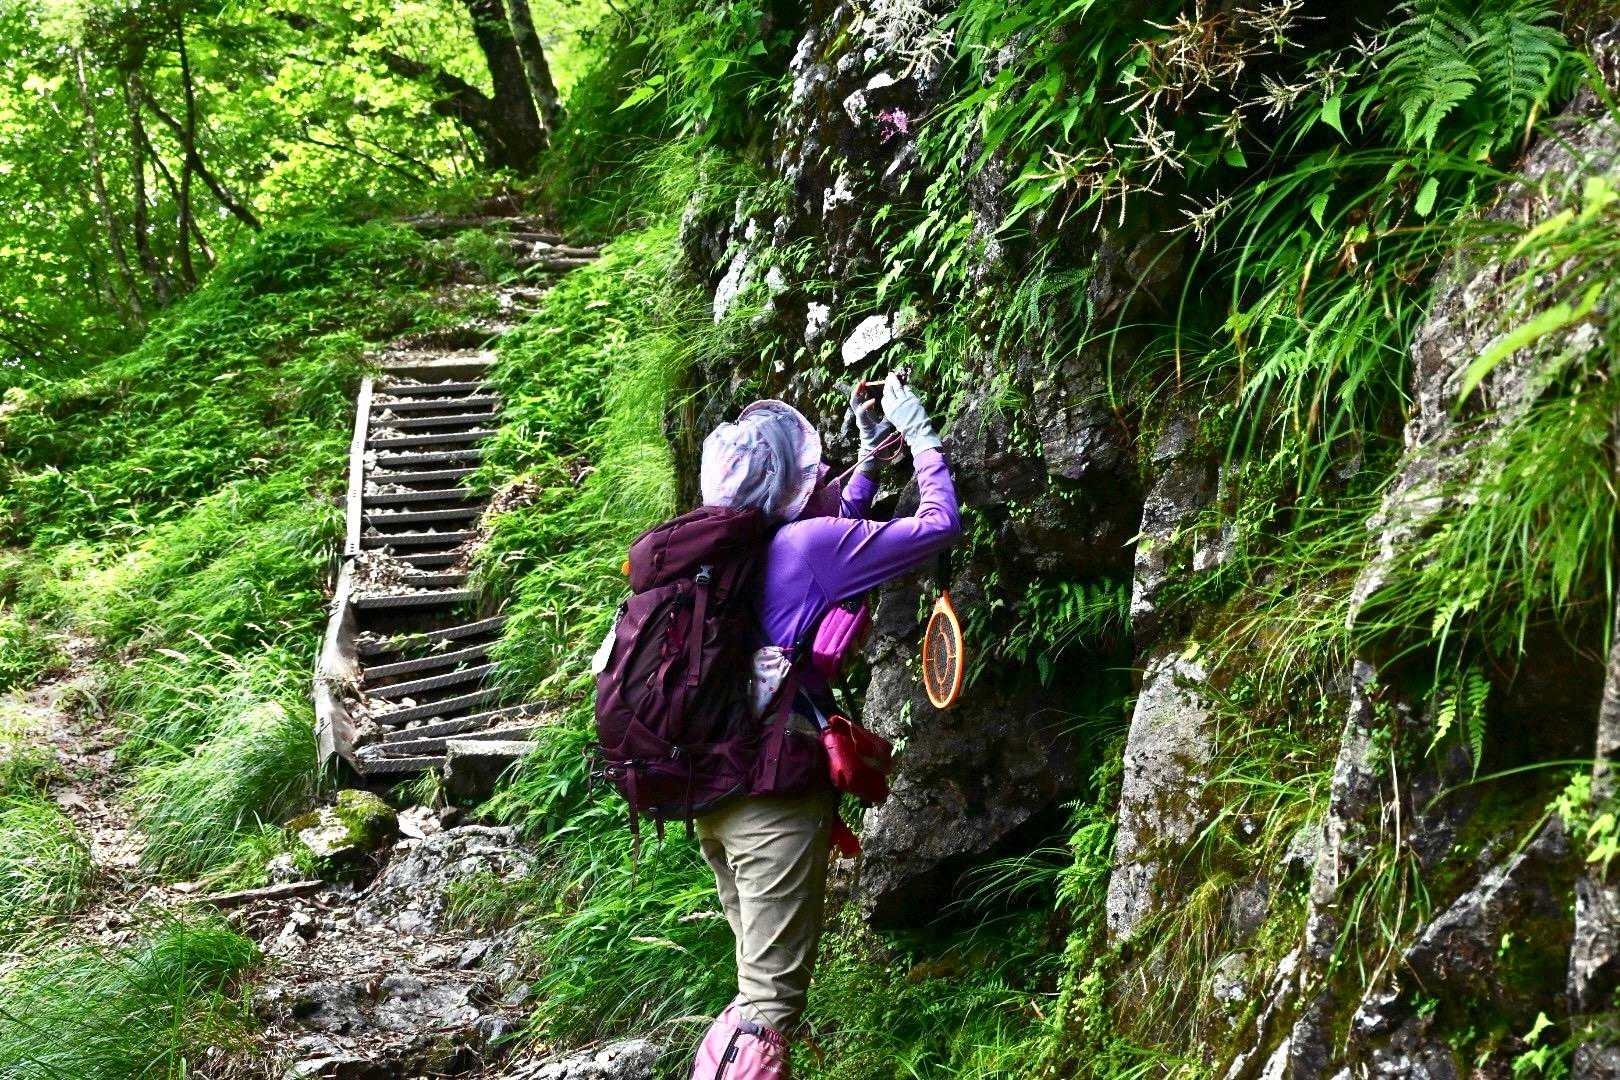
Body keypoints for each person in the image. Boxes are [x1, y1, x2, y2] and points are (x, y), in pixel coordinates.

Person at [687, 372, 961, 1079]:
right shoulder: (804, 548)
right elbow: (937, 526)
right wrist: (921, 437)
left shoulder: (730, 561)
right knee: (767, 1015)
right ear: (791, 479)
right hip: (771, 806)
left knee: (755, 998)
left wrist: (868, 462)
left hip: (716, 802)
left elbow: (831, 550)